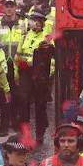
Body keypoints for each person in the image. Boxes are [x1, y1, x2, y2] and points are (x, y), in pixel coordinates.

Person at [15, 10, 55, 144]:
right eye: (35, 21)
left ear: (43, 23)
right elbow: (18, 55)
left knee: (40, 104)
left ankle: (40, 134)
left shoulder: (47, 38)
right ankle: (25, 132)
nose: (37, 24)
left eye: (40, 21)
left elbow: (52, 60)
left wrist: (47, 74)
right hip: (26, 72)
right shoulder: (25, 36)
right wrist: (17, 72)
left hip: (40, 75)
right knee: (23, 100)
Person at [0, 0, 25, 134]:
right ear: (4, 8)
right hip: (3, 65)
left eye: (12, 6)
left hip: (18, 66)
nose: (9, 8)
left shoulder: (23, 24)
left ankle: (15, 122)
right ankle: (4, 125)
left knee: (17, 95)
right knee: (3, 95)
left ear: (16, 7)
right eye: (7, 6)